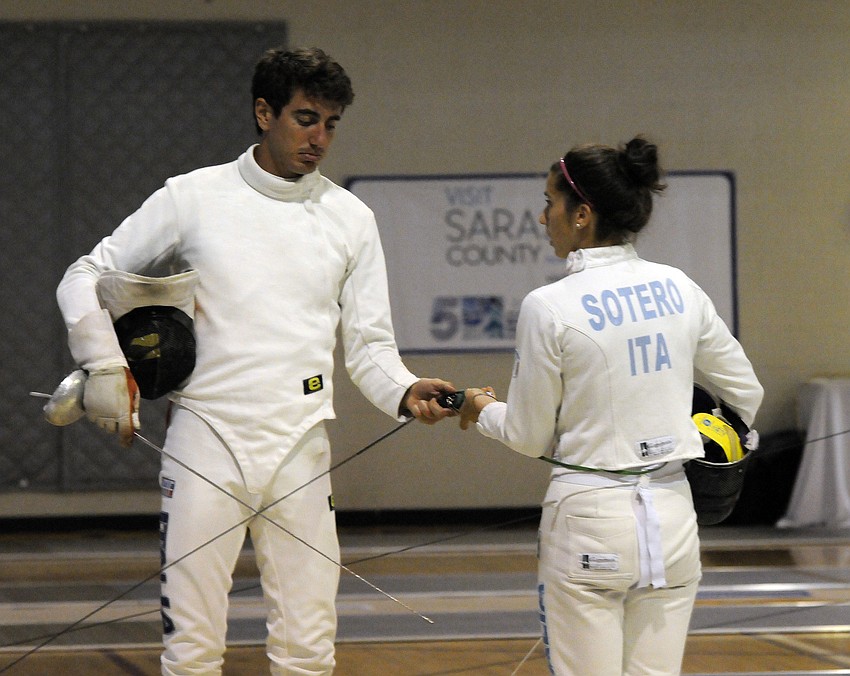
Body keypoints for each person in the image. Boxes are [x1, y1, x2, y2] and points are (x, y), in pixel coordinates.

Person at [55, 46, 454, 675]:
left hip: (300, 444)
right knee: (191, 651)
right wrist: (105, 366)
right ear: (263, 112)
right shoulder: (193, 197)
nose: (319, 138)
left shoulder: (350, 218)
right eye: (305, 118)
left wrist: (405, 391)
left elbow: (372, 347)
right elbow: (84, 275)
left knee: (308, 649)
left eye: (331, 123)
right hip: (206, 438)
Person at [455, 137, 763, 675]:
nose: (541, 215)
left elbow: (528, 435)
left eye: (549, 202)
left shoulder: (547, 306)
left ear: (581, 214)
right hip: (673, 519)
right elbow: (746, 395)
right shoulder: (678, 287)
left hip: (588, 523)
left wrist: (477, 409)